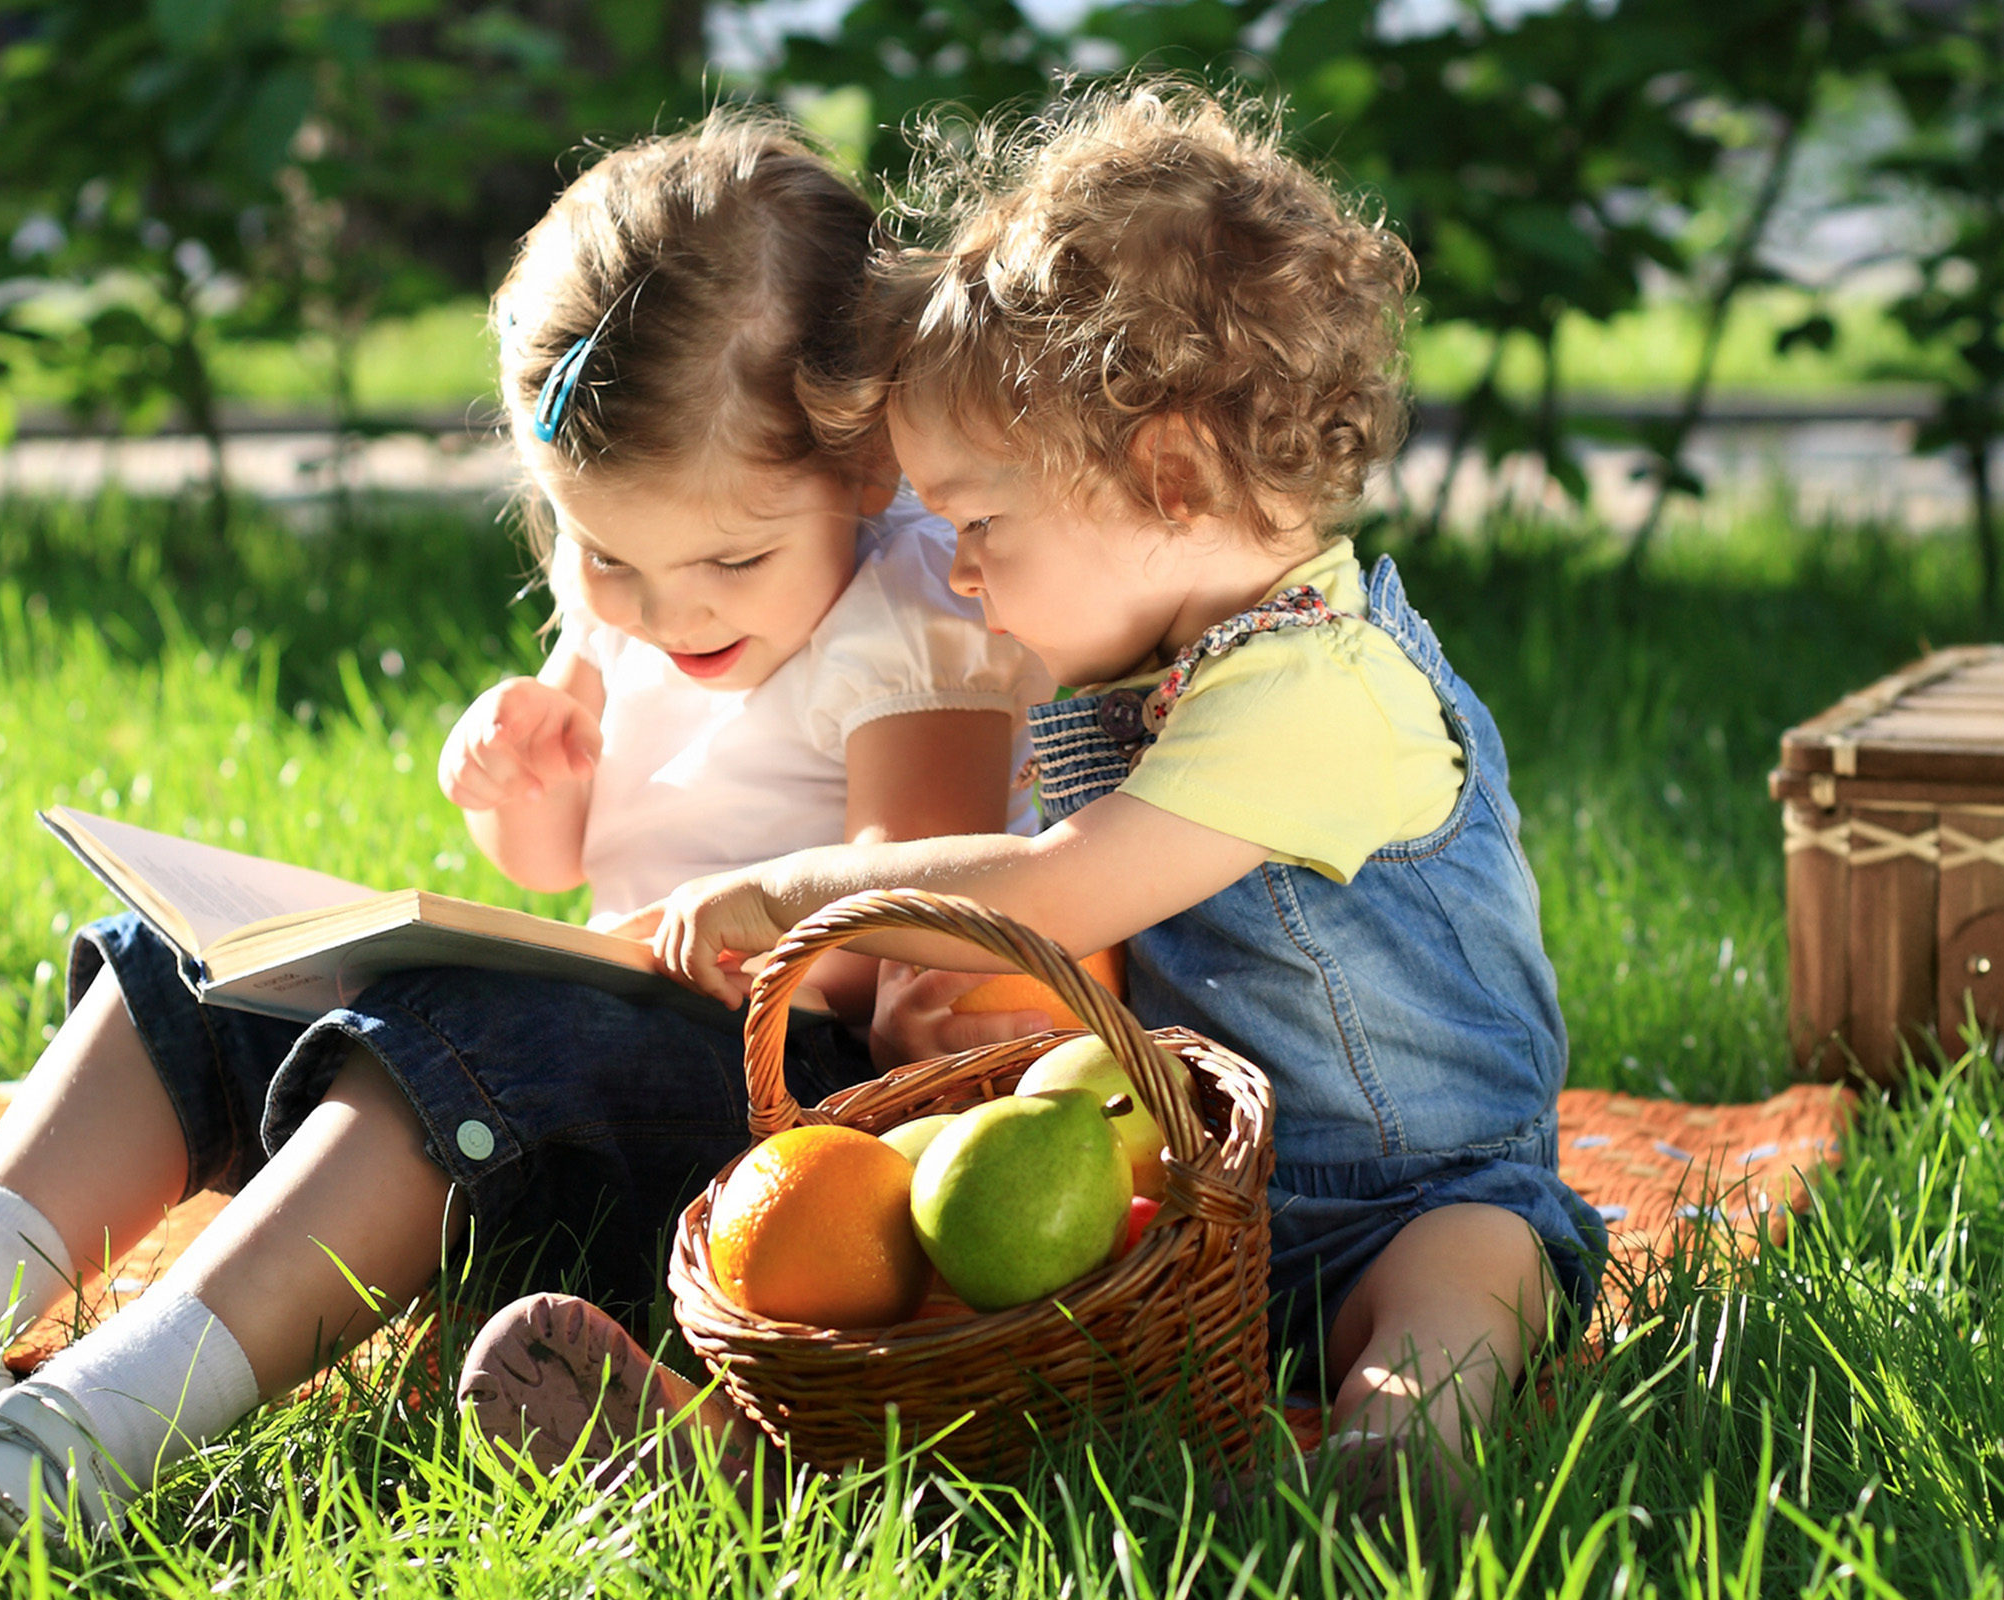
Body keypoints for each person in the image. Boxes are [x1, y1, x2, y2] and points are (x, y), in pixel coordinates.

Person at [0, 111, 1050, 1547]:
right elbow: (563, 866)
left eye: (729, 560)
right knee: (204, 960)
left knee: (468, 1041)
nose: (665, 612)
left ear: (866, 470)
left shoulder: (907, 631)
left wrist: (755, 947)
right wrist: (531, 791)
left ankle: (102, 1424)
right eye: (605, 555)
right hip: (590, 1051)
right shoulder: (643, 599)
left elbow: (909, 938)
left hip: (783, 1102)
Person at [463, 84, 1604, 1508]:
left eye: (983, 523)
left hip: (1409, 1200)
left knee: (1467, 1280)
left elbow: (1059, 890)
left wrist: (797, 892)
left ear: (1169, 477)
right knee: (968, 1274)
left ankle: (1390, 1462)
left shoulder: (1323, 691)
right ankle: (759, 1459)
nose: (956, 569)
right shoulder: (1148, 666)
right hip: (1182, 1207)